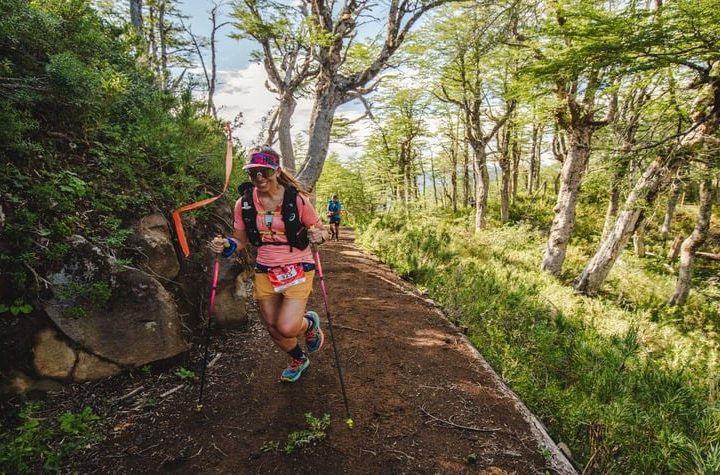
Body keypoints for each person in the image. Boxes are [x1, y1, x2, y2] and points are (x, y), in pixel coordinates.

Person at [210, 145, 327, 383]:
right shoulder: (243, 203)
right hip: (265, 269)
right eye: (253, 172)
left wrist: (319, 236)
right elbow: (240, 241)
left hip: (298, 265)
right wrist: (226, 246)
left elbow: (320, 229)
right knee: (273, 327)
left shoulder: (297, 200)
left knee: (287, 327)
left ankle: (309, 324)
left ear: (276, 170)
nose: (259, 177)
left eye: (264, 170)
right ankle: (298, 359)